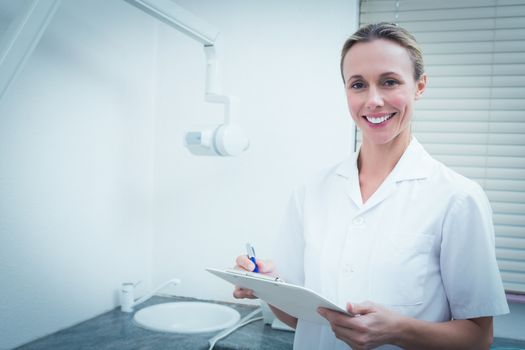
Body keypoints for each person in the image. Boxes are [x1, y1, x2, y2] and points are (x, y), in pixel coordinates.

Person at [234, 22, 509, 350]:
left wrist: (397, 331)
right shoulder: (311, 192)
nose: (373, 100)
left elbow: (478, 338)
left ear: (419, 86)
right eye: (358, 85)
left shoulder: (458, 198)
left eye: (389, 82)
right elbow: (302, 318)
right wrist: (264, 286)